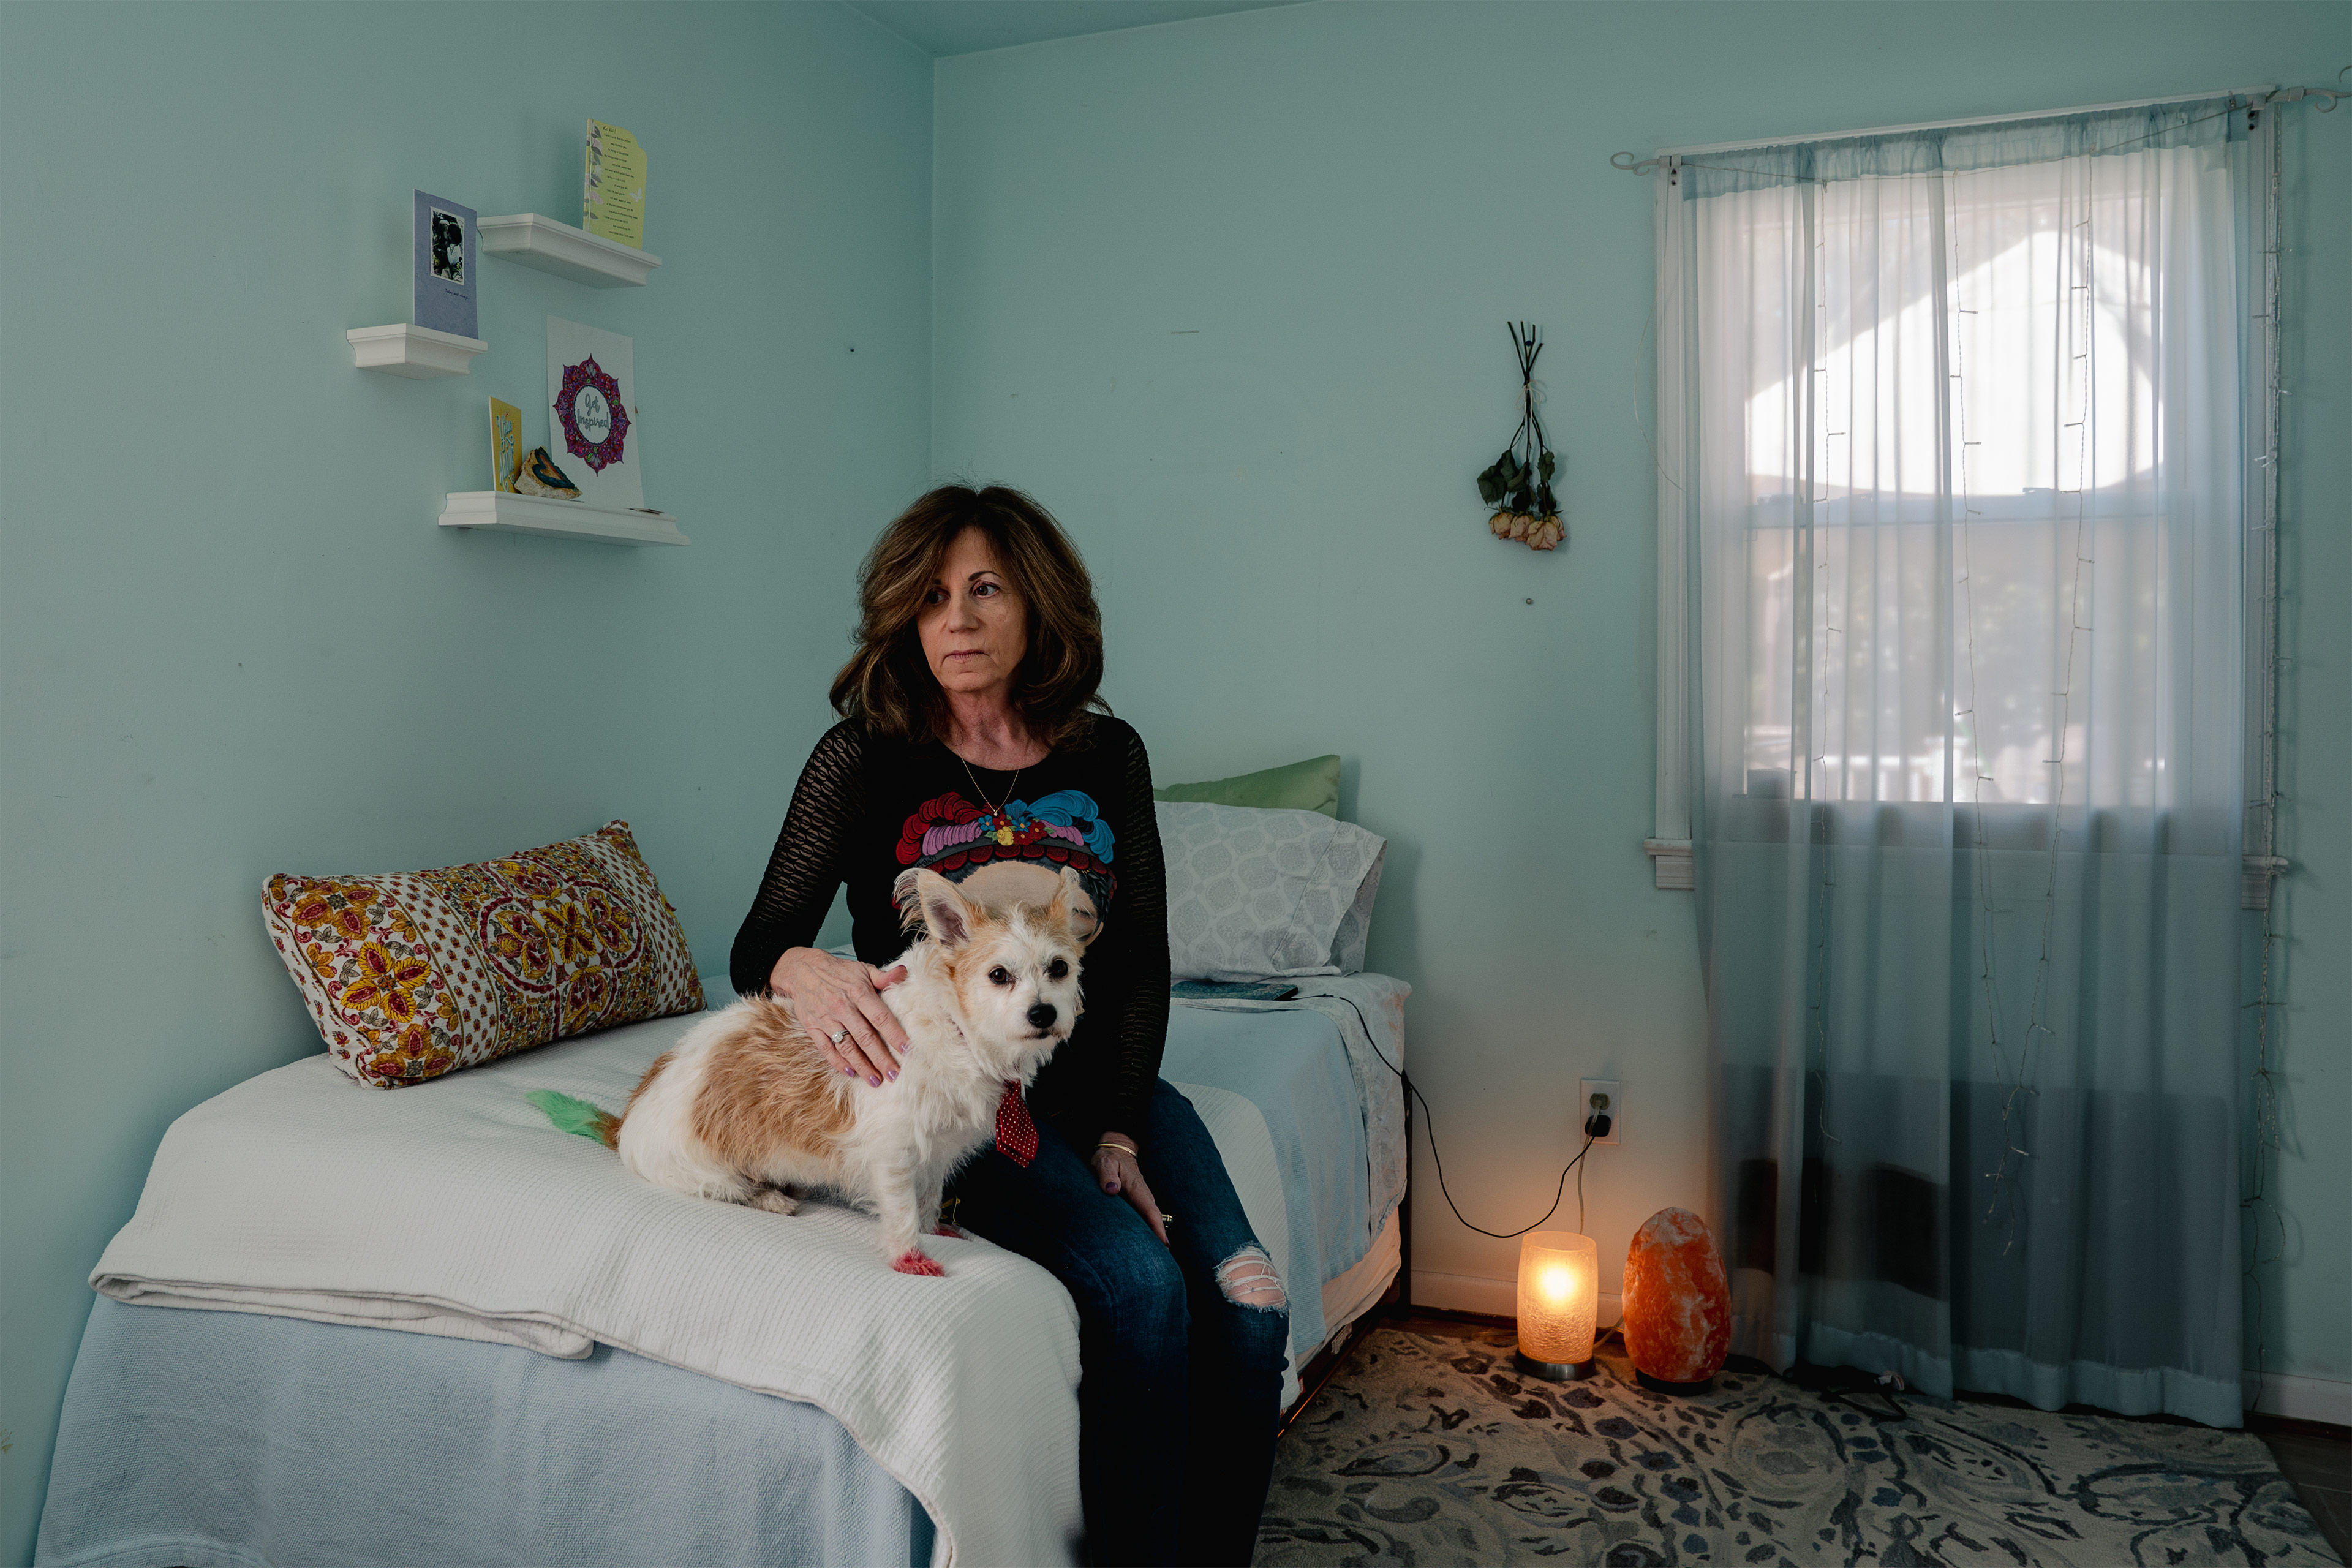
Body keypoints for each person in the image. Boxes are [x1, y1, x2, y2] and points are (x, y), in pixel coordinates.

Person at [731, 484, 1288, 1567]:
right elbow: (760, 944)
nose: (958, 620)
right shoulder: (861, 758)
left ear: (1039, 605)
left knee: (1250, 1300)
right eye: (933, 596)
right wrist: (806, 970)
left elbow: (1135, 965)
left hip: (1103, 1085)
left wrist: (1122, 1131)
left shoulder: (1106, 755)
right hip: (966, 1105)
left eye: (986, 589)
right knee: (1137, 1291)